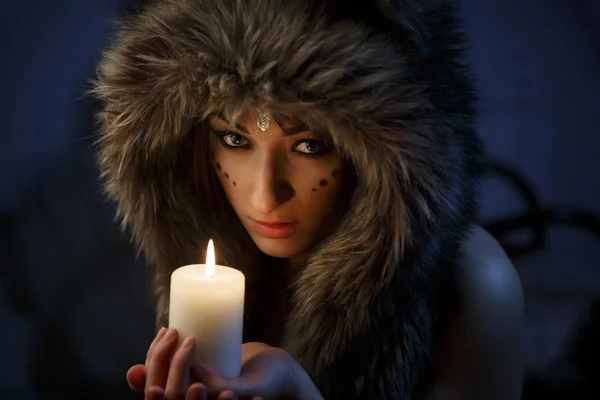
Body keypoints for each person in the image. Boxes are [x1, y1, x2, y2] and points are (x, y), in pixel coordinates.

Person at [92, 0, 524, 398]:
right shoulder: (201, 279)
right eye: (233, 139)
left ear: (376, 154)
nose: (264, 197)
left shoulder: (476, 282)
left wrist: (301, 393)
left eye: (310, 146)